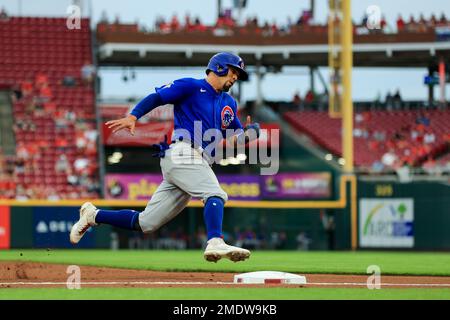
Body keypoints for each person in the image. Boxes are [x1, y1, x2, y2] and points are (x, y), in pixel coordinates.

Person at [70, 52, 260, 263]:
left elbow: (235, 139)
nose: (235, 77)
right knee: (214, 193)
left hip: (198, 160)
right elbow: (158, 97)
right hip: (182, 152)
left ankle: (93, 215)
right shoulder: (191, 86)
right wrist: (134, 116)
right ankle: (215, 240)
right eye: (234, 71)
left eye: (238, 74)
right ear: (220, 68)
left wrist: (250, 134)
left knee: (146, 223)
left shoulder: (229, 103)